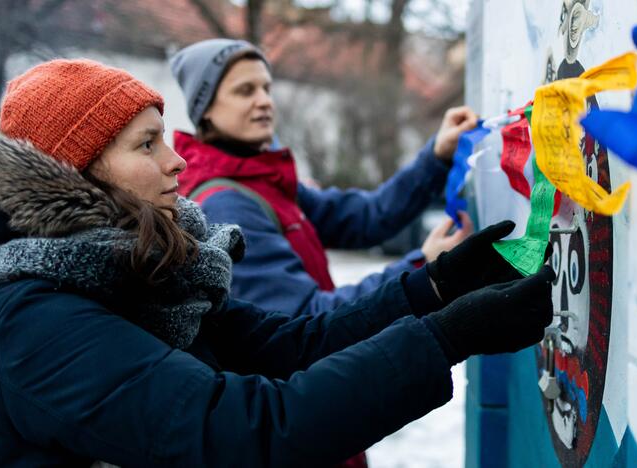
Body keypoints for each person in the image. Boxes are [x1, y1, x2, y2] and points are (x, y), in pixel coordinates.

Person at [0, 59, 554, 467]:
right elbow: (250, 432)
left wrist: (436, 287)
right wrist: (449, 336)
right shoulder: (35, 323)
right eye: (146, 145)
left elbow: (290, 343)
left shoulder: (134, 278)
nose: (176, 162)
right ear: (75, 175)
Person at [170, 39, 478, 317]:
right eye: (245, 91)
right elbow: (306, 316)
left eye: (266, 88)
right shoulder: (227, 207)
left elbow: (366, 217)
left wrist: (437, 156)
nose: (264, 101)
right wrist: (424, 264)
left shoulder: (265, 183)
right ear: (205, 110)